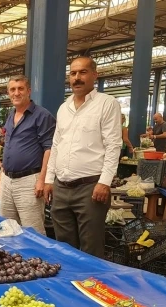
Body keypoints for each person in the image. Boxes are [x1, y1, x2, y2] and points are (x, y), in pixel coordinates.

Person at [43, 56, 122, 258]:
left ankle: (90, 286)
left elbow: (113, 145)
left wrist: (104, 182)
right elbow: (56, 145)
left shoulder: (107, 103)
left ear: (95, 75)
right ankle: (69, 286)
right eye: (73, 73)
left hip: (90, 188)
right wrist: (49, 180)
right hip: (61, 187)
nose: (77, 78)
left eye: (83, 72)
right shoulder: (64, 108)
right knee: (64, 247)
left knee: (91, 248)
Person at [0, 75, 55, 234]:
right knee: (8, 228)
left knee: (32, 230)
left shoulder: (42, 115)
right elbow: (8, 145)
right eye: (12, 90)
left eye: (20, 89)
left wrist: (42, 179)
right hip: (8, 180)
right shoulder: (10, 115)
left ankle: (37, 259)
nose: (16, 93)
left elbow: (49, 148)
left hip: (29, 181)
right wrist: (1, 173)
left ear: (29, 91)